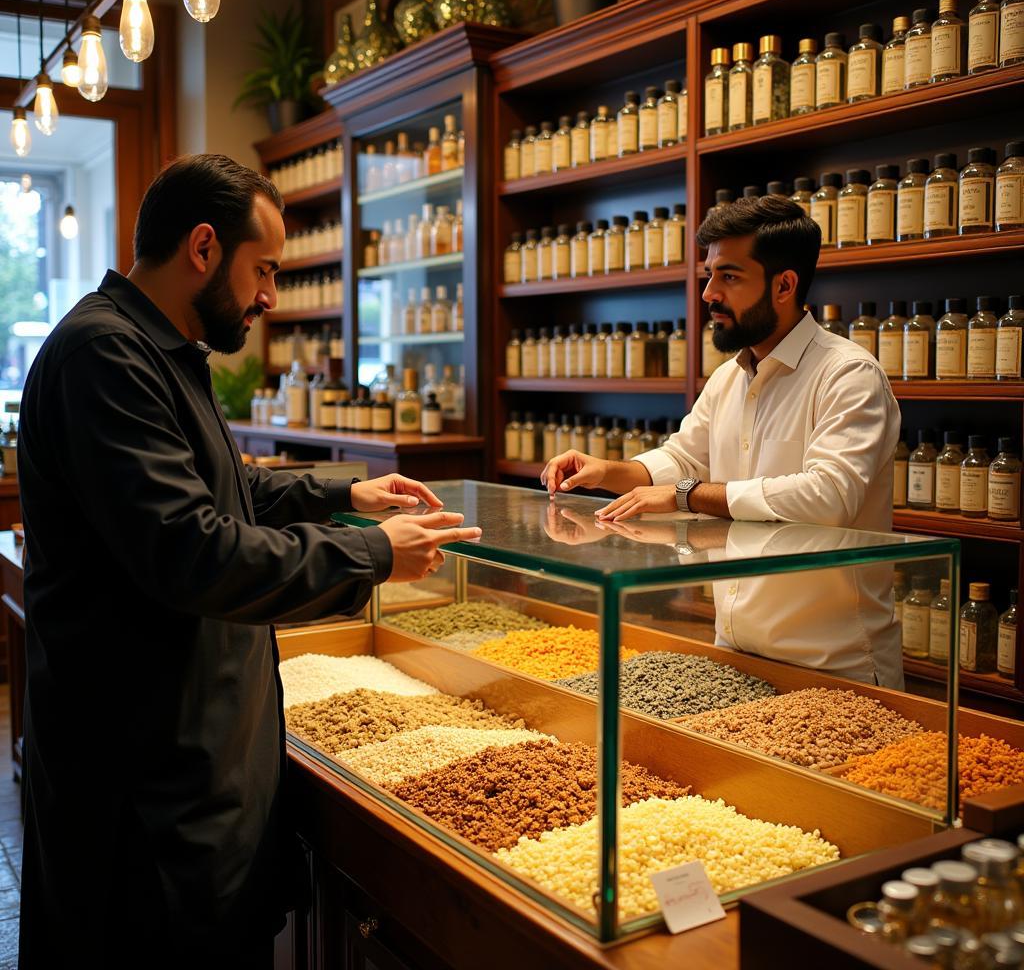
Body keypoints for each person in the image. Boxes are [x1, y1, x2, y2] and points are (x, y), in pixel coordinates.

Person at [17, 154, 481, 967]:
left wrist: (348, 493)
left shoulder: (159, 350)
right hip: (140, 790)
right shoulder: (105, 356)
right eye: (262, 269)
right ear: (203, 247)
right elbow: (195, 551)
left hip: (182, 768)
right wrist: (371, 553)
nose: (270, 296)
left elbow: (227, 491)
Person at [541, 195, 903, 687]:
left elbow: (830, 496)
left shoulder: (848, 375)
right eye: (709, 275)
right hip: (736, 653)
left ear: (784, 285)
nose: (709, 293)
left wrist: (689, 495)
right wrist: (607, 471)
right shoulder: (729, 377)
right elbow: (680, 458)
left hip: (834, 665)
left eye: (728, 277)